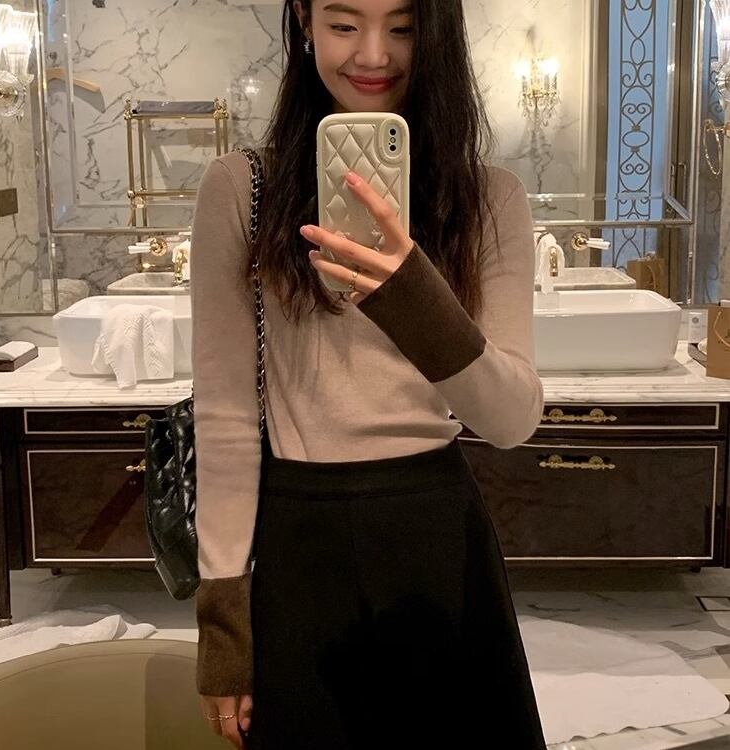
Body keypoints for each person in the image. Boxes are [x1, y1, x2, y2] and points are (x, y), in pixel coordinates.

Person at [191, 0, 547, 748]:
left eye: (403, 26)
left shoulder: (489, 199)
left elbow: (511, 420)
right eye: (344, 24)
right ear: (303, 21)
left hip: (434, 531)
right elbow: (224, 417)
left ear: (436, 31)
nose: (374, 54)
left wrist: (413, 294)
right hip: (297, 535)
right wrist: (222, 627)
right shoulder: (241, 189)